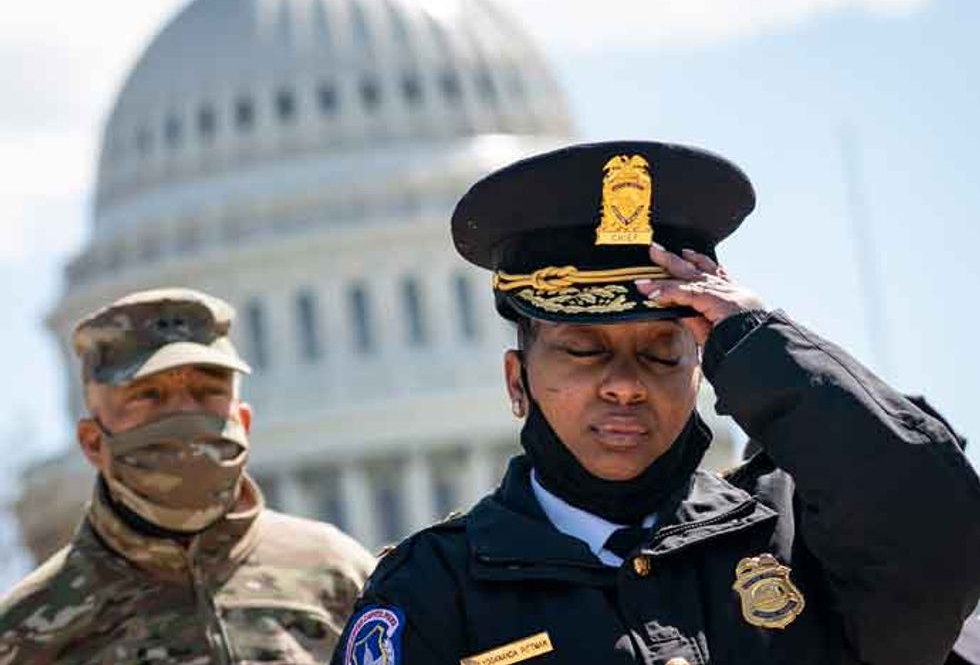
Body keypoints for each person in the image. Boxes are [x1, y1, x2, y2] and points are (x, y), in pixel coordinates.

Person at [331, 142, 980, 665]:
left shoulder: (797, 539)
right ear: (516, 381)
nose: (624, 384)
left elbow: (939, 540)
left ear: (704, 367)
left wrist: (758, 340)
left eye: (662, 352)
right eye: (583, 350)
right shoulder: (435, 590)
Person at [1, 288, 375, 664]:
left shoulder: (339, 577)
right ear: (93, 441)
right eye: (149, 396)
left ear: (243, 422)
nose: (184, 414)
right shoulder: (27, 629)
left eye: (207, 391)